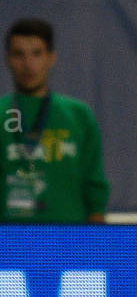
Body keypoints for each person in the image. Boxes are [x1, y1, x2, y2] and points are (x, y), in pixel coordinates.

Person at [0, 17, 109, 224]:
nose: (28, 64)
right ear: (8, 59)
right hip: (9, 242)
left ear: (51, 58)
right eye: (19, 54)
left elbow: (94, 185)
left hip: (70, 239)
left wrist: (96, 244)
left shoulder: (79, 115)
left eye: (37, 54)